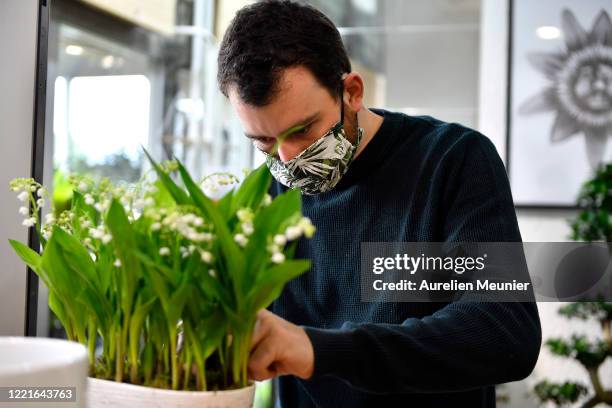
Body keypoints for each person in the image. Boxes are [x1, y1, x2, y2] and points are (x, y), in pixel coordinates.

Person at [217, 1, 542, 407]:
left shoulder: (452, 161)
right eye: (264, 141)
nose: (288, 158)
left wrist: (318, 350)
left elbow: (504, 331)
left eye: (303, 130)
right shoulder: (260, 197)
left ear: (351, 91)